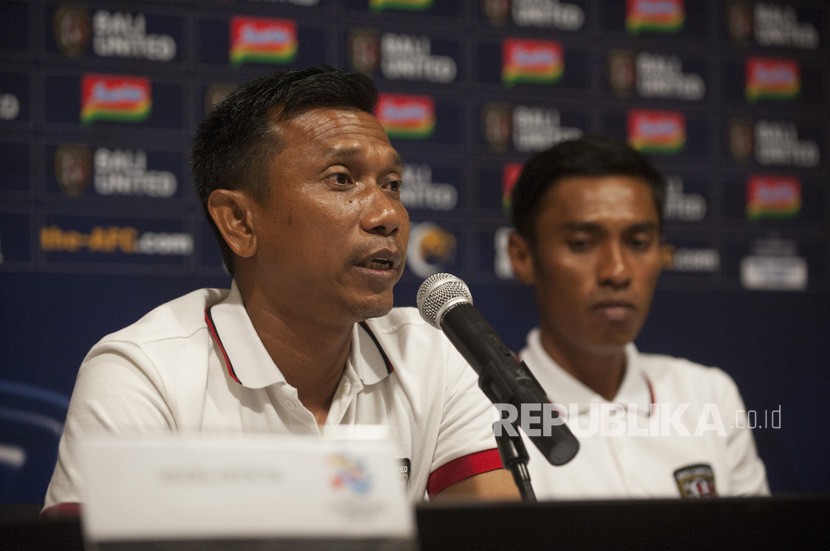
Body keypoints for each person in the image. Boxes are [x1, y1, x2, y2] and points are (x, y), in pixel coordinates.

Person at [43, 66, 519, 514]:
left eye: (392, 184)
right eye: (341, 179)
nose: (387, 216)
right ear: (239, 221)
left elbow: (493, 539)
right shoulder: (144, 375)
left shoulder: (435, 354)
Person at [507, 135, 769, 498]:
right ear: (522, 256)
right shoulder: (482, 415)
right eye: (582, 243)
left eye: (638, 243)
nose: (617, 271)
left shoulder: (708, 395)